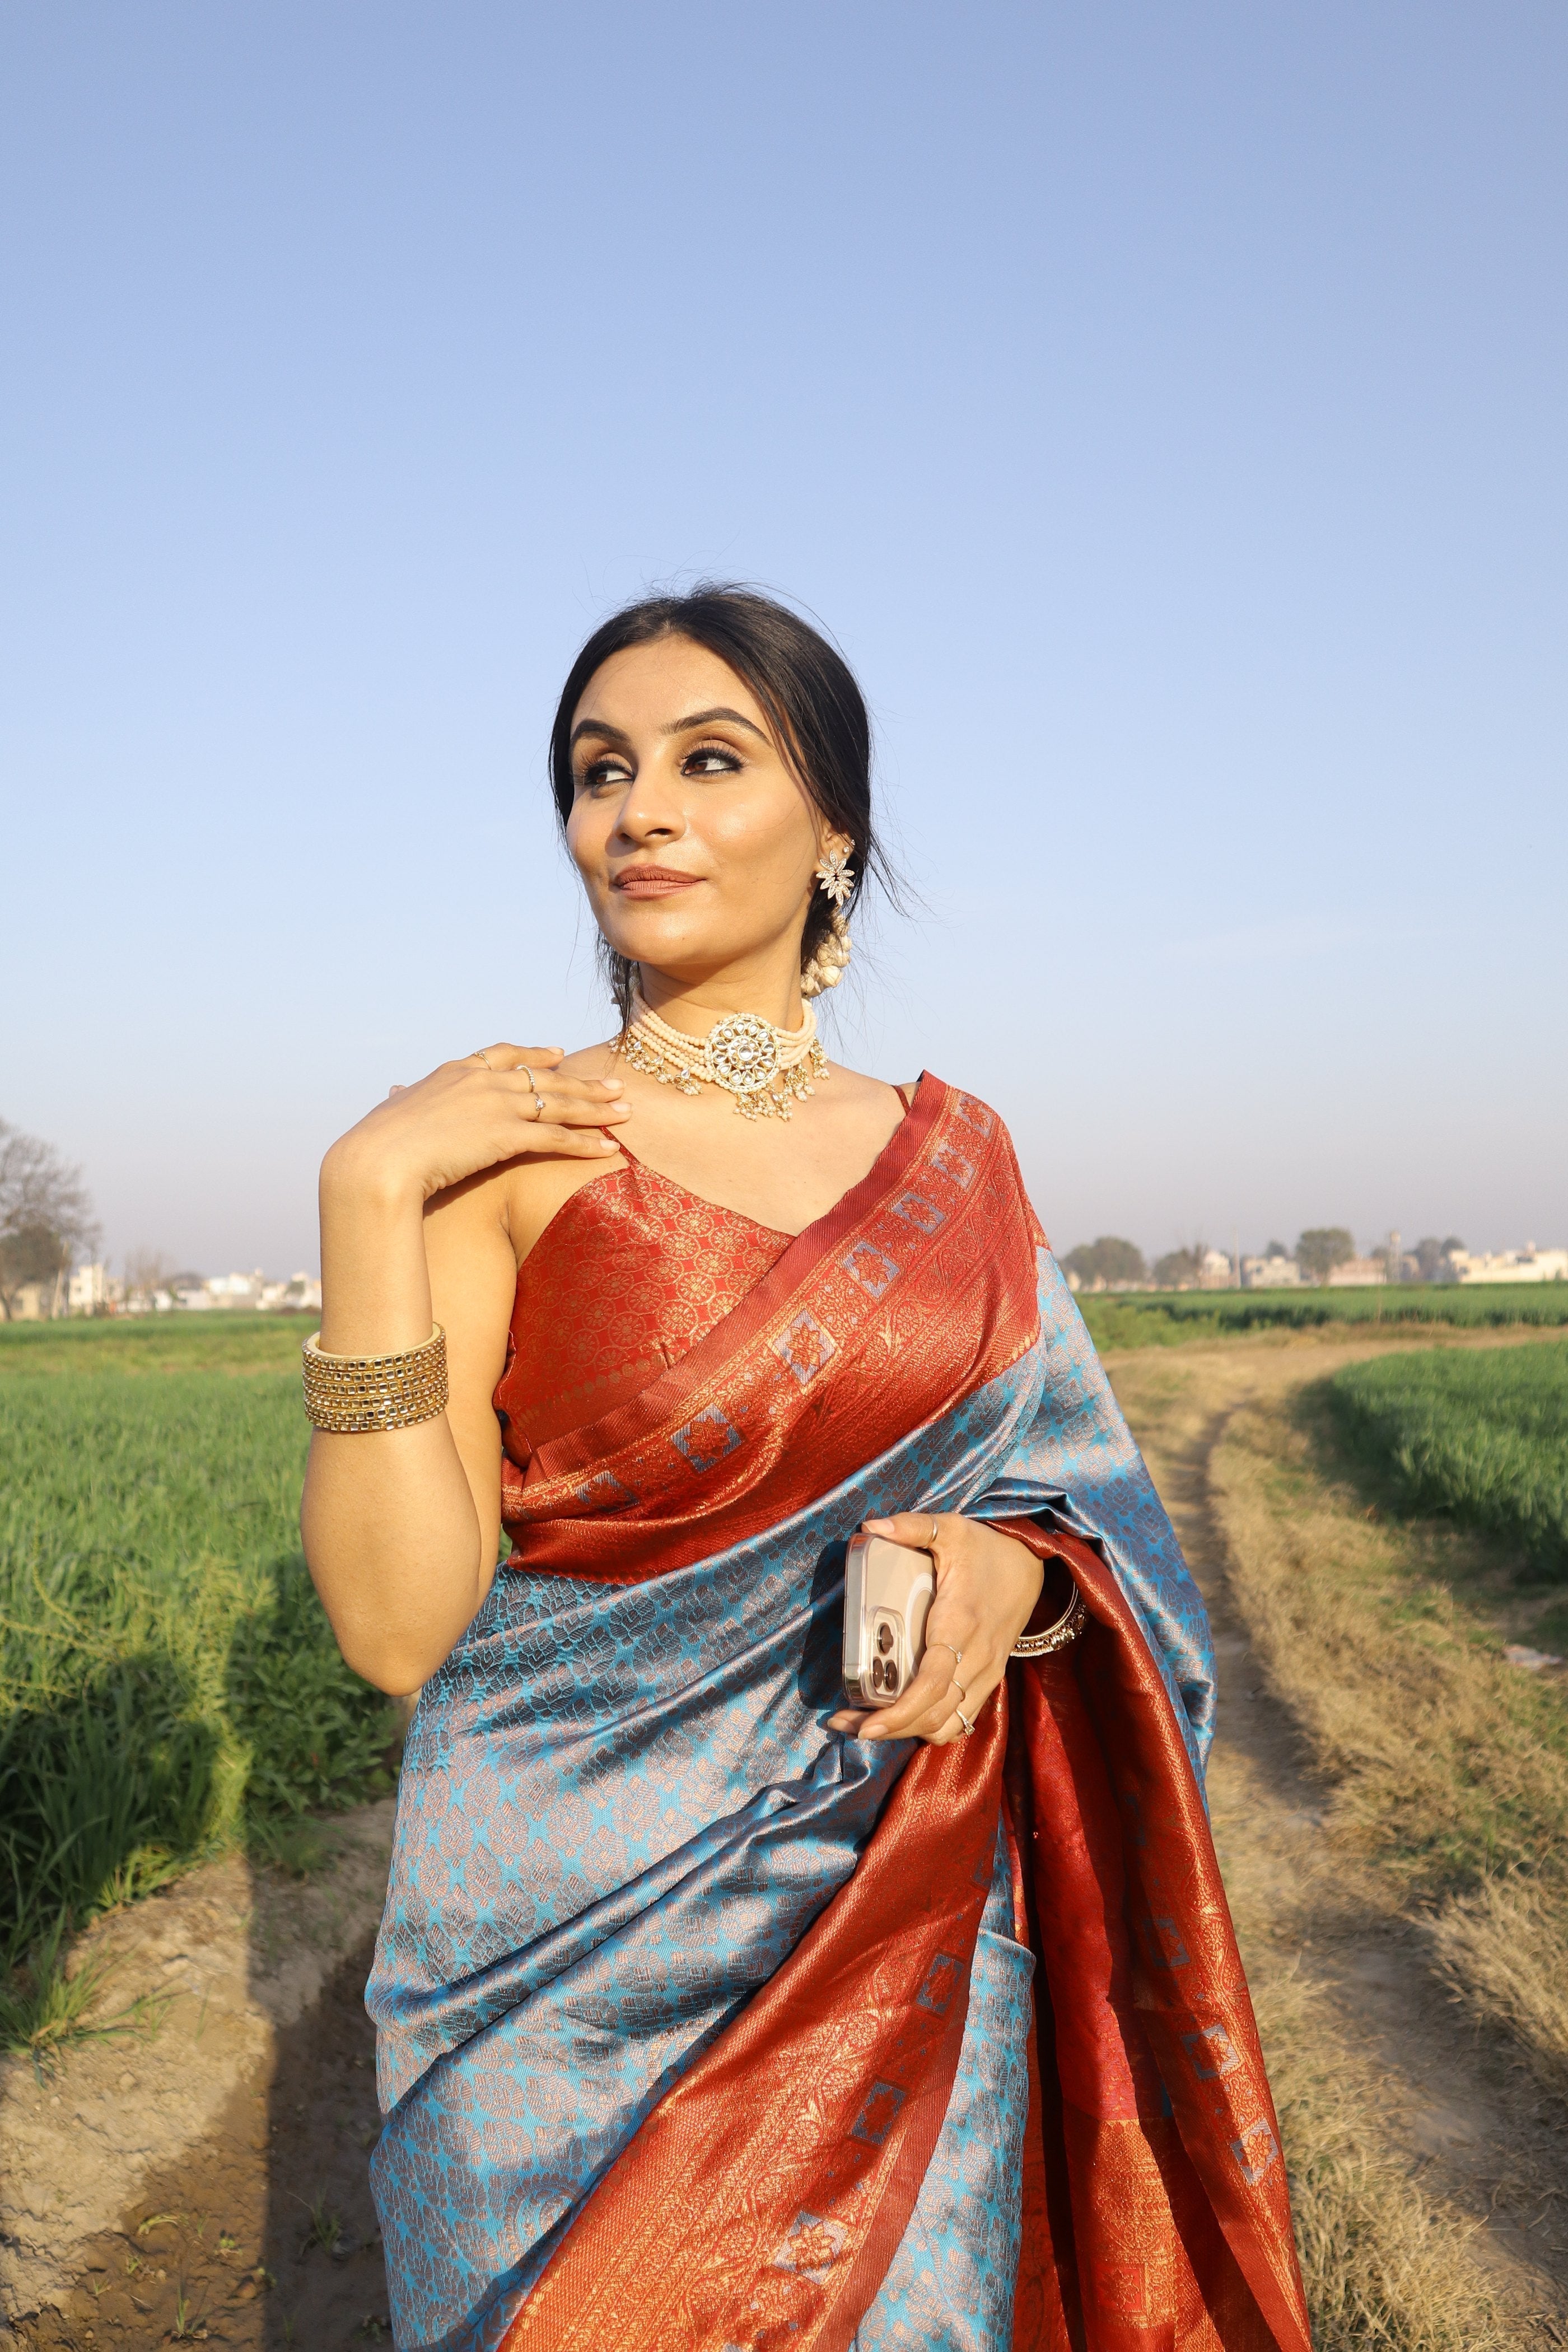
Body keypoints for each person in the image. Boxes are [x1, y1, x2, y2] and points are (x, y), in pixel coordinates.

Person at [301, 586, 1309, 2352]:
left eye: (710, 759)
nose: (642, 810)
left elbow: (1090, 1516)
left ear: (834, 828)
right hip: (549, 1962)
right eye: (599, 770)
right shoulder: (500, 1154)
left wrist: (1023, 1578)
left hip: (893, 1911)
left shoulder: (956, 1164)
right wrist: (366, 1198)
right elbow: (395, 1633)